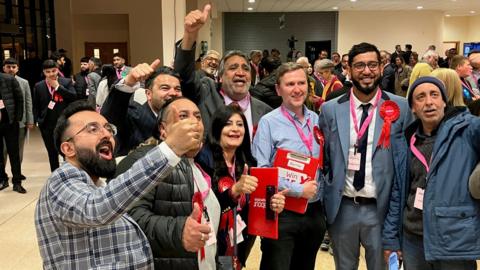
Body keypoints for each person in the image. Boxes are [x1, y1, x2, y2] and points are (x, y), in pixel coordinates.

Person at [35, 99, 204, 269]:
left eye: (109, 128)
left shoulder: (99, 187)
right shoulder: (60, 181)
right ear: (68, 149)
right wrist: (170, 149)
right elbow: (96, 208)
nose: (107, 134)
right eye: (93, 129)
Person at [318, 42, 412, 270]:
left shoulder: (399, 108)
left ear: (381, 67)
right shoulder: (330, 109)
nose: (367, 71)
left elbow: (406, 162)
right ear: (348, 69)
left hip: (382, 209)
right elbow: (325, 159)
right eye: (360, 65)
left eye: (372, 65)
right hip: (343, 207)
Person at [383, 76, 480, 270]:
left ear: (444, 101)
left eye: (434, 95)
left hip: (453, 240)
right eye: (420, 97)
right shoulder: (406, 141)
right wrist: (391, 238)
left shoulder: (466, 129)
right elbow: (399, 193)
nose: (428, 102)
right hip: (413, 238)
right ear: (413, 107)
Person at [115, 97, 218, 269]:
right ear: (163, 130)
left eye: (198, 117)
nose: (194, 122)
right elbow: (127, 218)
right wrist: (178, 232)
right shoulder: (144, 160)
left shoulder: (199, 168)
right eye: (183, 116)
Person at [253, 62, 326, 270]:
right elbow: (263, 171)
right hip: (282, 212)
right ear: (278, 89)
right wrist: (298, 190)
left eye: (301, 83)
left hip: (313, 212)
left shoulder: (316, 120)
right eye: (290, 84)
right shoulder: (268, 123)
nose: (297, 89)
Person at [203, 104, 286, 268]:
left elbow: (256, 205)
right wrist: (234, 191)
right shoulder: (204, 160)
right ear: (217, 128)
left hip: (239, 242)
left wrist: (273, 204)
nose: (235, 129)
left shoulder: (247, 162)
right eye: (228, 124)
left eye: (240, 124)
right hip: (209, 242)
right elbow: (204, 207)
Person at [174, 4, 271, 139]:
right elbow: (184, 76)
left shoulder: (266, 111)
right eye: (233, 68)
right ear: (220, 77)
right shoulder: (205, 93)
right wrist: (190, 35)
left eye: (245, 68)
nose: (240, 73)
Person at [101, 60, 182, 156]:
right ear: (149, 94)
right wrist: (128, 82)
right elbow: (110, 118)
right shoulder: (132, 116)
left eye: (177, 89)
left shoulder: (184, 118)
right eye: (165, 88)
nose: (173, 93)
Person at [33, 59, 76, 172]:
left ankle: (69, 174)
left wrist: (57, 87)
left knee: (66, 151)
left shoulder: (66, 82)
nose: (51, 74)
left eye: (54, 70)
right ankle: (55, 176)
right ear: (44, 72)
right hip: (46, 124)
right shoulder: (39, 86)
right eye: (48, 72)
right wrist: (37, 120)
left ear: (57, 70)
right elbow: (36, 105)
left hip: (64, 123)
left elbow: (73, 97)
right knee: (52, 153)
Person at [2, 58, 34, 167]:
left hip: (20, 121)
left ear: (17, 68)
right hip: (4, 121)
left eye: (13, 67)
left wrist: (30, 120)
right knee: (3, 148)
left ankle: (17, 172)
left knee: (19, 148)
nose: (11, 69)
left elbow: (28, 102)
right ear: (3, 68)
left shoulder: (24, 82)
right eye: (8, 67)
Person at [0, 68, 25, 193]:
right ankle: (2, 179)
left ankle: (17, 182)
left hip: (9, 122)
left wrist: (17, 118)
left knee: (14, 153)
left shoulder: (8, 79)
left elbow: (20, 99)